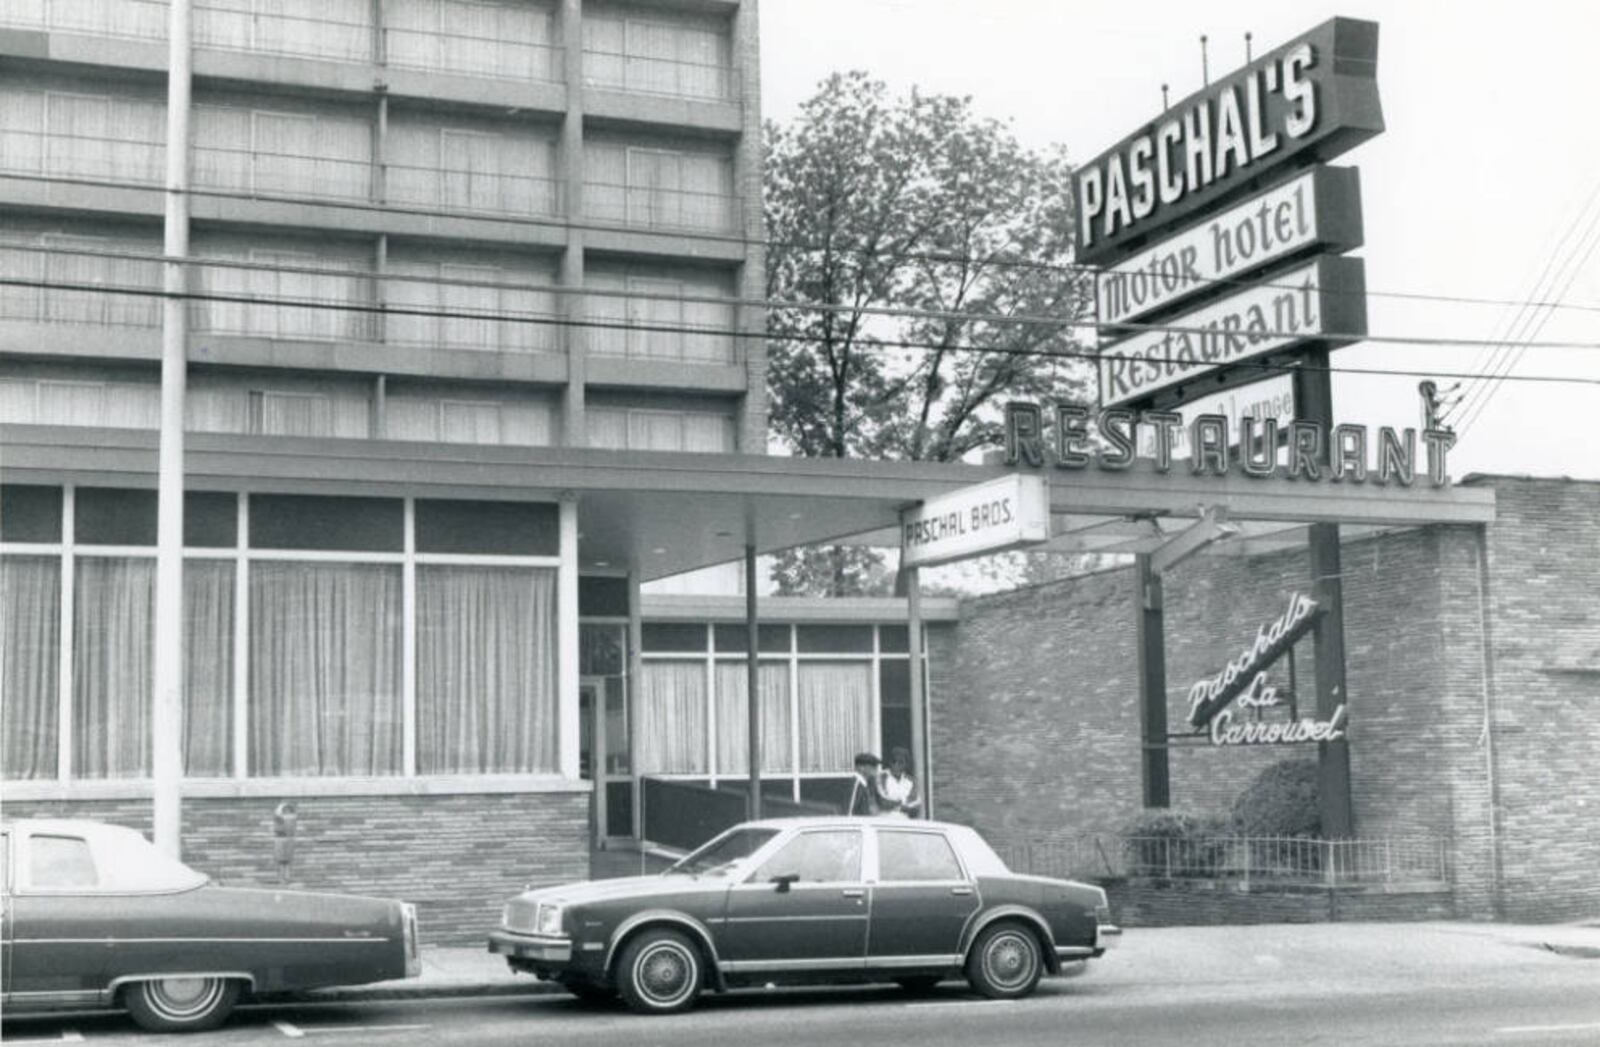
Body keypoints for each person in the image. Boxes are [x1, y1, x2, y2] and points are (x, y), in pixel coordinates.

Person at [879, 746, 922, 818]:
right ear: (889, 762)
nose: (896, 765)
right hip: (885, 822)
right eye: (893, 761)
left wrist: (896, 805)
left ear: (906, 764)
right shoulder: (882, 777)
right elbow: (882, 802)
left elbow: (916, 805)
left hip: (904, 823)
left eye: (900, 762)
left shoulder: (910, 781)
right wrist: (902, 804)